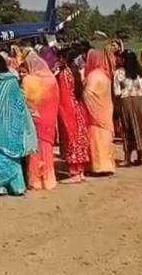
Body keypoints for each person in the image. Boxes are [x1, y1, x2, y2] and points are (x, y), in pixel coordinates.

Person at [0, 54, 37, 196]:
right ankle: (17, 187)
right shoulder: (12, 82)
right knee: (12, 156)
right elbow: (19, 104)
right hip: (12, 126)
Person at [21, 52, 60, 190]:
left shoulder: (28, 80)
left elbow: (23, 100)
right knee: (47, 150)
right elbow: (56, 100)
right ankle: (49, 180)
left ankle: (35, 180)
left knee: (34, 150)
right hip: (49, 119)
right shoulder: (52, 80)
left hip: (33, 119)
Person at [57, 49, 90, 183]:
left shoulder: (64, 74)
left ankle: (74, 172)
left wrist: (63, 113)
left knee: (71, 139)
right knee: (80, 139)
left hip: (69, 109)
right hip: (78, 108)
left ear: (63, 59)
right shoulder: (75, 72)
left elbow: (64, 95)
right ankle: (80, 171)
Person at [83, 49, 116, 175]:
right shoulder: (105, 75)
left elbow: (88, 94)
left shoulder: (92, 76)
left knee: (96, 140)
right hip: (106, 111)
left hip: (94, 115)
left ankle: (98, 166)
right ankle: (107, 165)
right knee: (106, 140)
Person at [114, 51, 142, 166]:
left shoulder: (119, 73)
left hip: (126, 101)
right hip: (141, 101)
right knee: (141, 126)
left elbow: (117, 92)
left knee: (127, 128)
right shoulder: (141, 73)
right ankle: (140, 157)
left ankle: (127, 158)